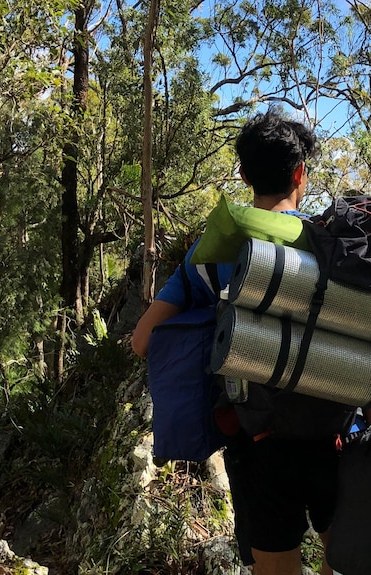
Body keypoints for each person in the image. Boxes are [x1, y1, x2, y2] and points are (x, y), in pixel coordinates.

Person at [131, 108, 346, 575]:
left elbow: (143, 340)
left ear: (244, 175)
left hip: (257, 441)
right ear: (300, 173)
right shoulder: (331, 244)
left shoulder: (210, 255)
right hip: (333, 433)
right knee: (345, 556)